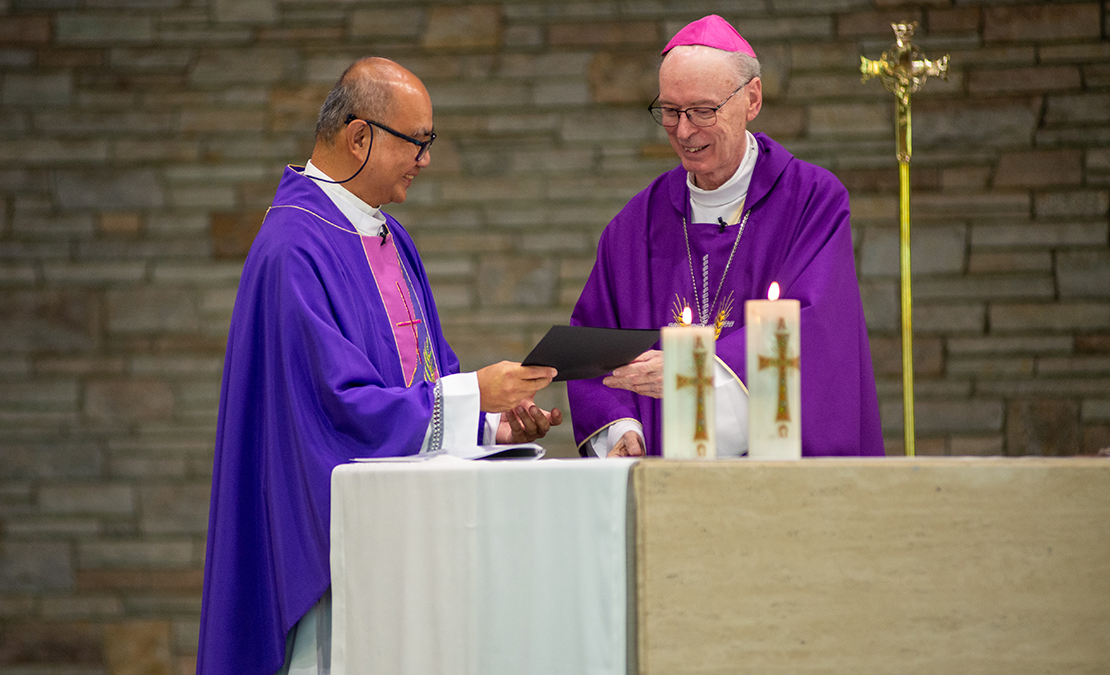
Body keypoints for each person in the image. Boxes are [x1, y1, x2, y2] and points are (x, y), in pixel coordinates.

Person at [197, 57, 563, 675]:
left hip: (398, 535)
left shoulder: (388, 237)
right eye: (416, 143)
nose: (425, 161)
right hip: (330, 551)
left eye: (429, 143)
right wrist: (476, 392)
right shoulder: (294, 248)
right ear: (359, 136)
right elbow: (336, 409)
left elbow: (425, 377)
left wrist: (496, 425)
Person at [569, 15, 883, 459]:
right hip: (666, 486)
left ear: (752, 99)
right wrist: (621, 430)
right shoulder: (635, 225)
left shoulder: (812, 200)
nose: (683, 131)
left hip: (783, 481)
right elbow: (594, 345)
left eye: (702, 111)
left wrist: (691, 372)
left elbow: (819, 335)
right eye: (671, 112)